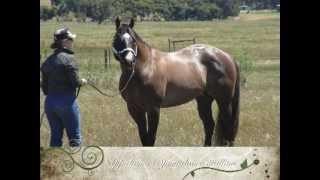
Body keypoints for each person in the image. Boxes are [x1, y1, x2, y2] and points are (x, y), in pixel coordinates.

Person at [41, 27, 87, 147]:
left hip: (50, 103)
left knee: (55, 138)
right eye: (71, 39)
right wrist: (82, 81)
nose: (73, 42)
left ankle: (53, 165)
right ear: (65, 41)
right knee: (75, 138)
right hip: (67, 101)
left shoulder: (47, 62)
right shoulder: (70, 59)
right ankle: (77, 165)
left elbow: (45, 89)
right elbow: (75, 82)